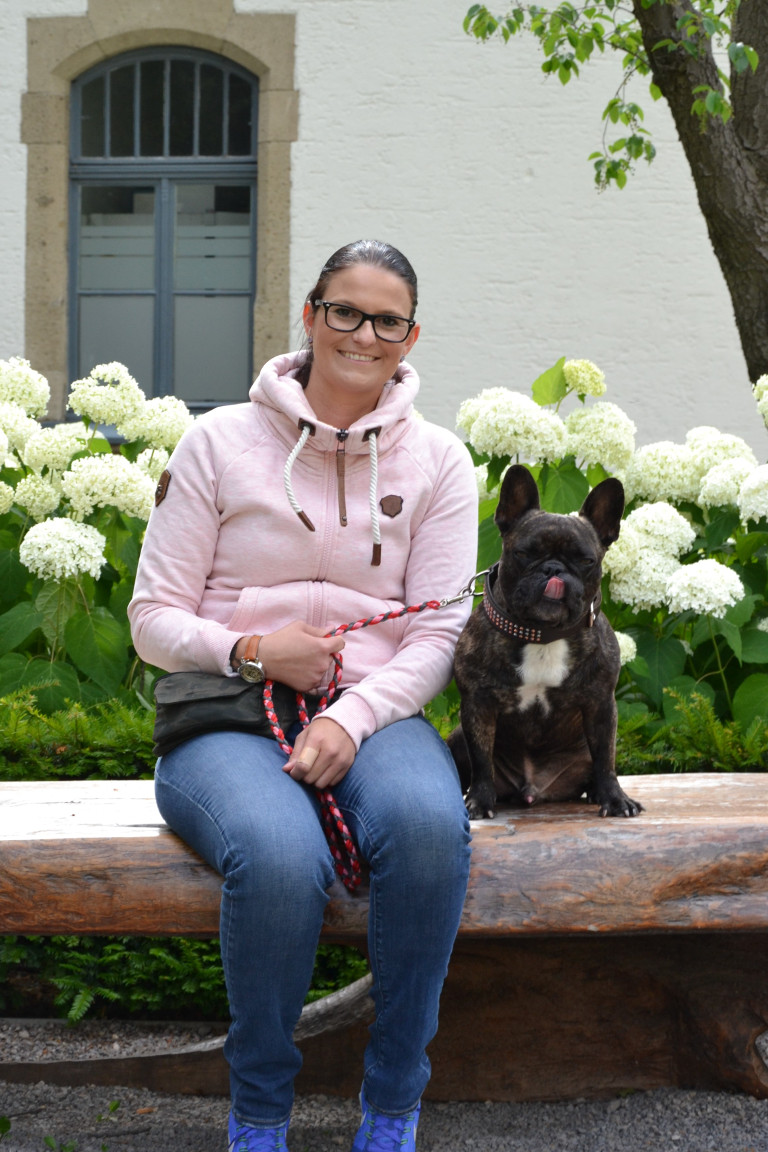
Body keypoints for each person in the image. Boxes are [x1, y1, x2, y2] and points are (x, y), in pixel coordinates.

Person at [128, 239, 479, 1152]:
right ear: (312, 316)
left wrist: (353, 719)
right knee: (281, 861)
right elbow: (151, 617)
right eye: (345, 312)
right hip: (226, 713)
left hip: (378, 706)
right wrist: (251, 649)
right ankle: (259, 1117)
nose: (363, 334)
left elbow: (437, 632)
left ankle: (393, 1103)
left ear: (411, 337)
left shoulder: (440, 461)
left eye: (385, 320)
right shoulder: (216, 443)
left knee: (432, 829)